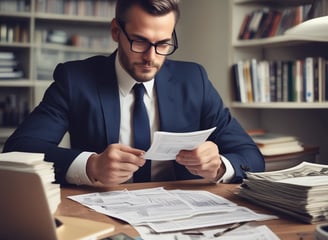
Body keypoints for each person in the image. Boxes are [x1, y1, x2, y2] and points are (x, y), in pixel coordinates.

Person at [3, 0, 264, 186]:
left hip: (181, 215)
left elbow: (251, 157)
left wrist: (219, 165)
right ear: (116, 31)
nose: (151, 58)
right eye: (139, 41)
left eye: (163, 43)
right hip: (100, 215)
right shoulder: (75, 79)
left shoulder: (194, 79)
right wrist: (90, 165)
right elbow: (19, 150)